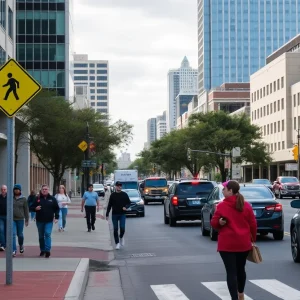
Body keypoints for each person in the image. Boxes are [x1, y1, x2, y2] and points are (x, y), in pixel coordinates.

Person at [211, 180, 257, 300]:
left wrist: (219, 222)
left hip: (227, 245)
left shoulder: (221, 205)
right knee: (241, 269)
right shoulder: (246, 205)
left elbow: (214, 223)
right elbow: (253, 224)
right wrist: (253, 239)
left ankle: (234, 298)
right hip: (243, 244)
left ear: (230, 191)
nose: (223, 191)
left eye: (224, 189)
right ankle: (241, 293)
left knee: (231, 272)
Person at [30, 184, 59, 258]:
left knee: (47, 234)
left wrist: (56, 217)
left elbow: (56, 208)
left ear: (48, 190)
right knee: (41, 236)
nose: (44, 190)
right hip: (40, 220)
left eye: (46, 189)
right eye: (43, 189)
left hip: (49, 220)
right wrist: (35, 208)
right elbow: (31, 207)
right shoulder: (37, 198)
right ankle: (42, 250)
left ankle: (47, 250)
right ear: (41, 190)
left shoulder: (52, 199)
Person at [106, 181, 131, 250]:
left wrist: (126, 207)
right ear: (115, 186)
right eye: (118, 185)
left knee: (122, 228)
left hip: (122, 214)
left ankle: (121, 237)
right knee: (115, 229)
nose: (119, 186)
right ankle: (117, 243)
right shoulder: (113, 195)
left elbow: (129, 203)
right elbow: (109, 205)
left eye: (120, 185)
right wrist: (107, 214)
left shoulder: (124, 194)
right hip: (114, 214)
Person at [12, 184, 29, 257]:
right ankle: (14, 250)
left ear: (20, 190)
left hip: (20, 219)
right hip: (12, 219)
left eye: (17, 189)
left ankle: (21, 245)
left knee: (20, 235)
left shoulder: (23, 199)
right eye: (15, 189)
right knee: (13, 234)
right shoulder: (10, 198)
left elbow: (26, 209)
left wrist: (27, 219)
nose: (16, 190)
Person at [0, 185, 7, 251]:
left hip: (8, 216)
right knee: (1, 230)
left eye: (4, 189)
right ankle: (3, 245)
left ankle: (5, 243)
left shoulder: (9, 197)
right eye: (2, 189)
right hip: (1, 216)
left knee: (6, 231)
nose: (3, 191)